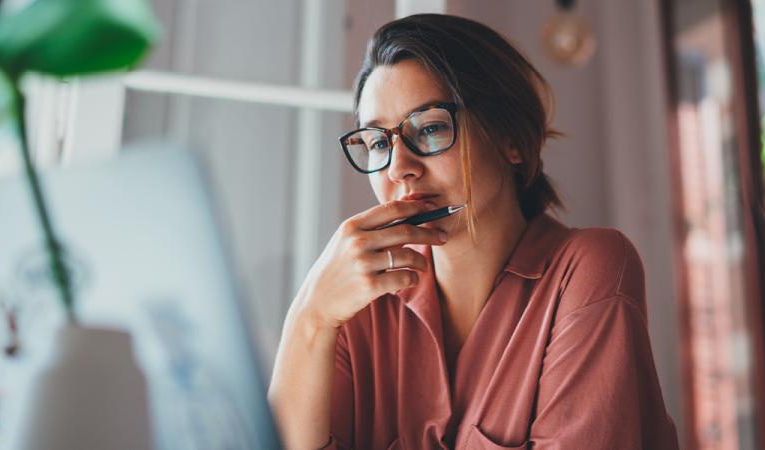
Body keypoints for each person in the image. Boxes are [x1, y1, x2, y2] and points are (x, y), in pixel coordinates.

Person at [268, 13, 678, 450]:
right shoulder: (357, 309)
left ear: (511, 140)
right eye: (379, 143)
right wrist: (309, 317)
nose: (399, 168)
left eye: (429, 129)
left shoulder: (589, 268)